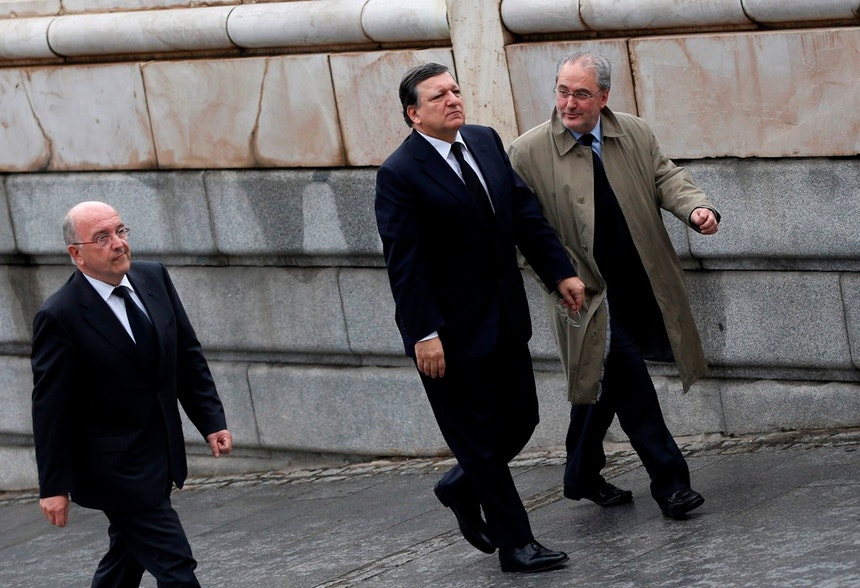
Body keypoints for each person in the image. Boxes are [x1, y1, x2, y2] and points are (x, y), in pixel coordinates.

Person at [375, 62, 586, 574]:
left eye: (455, 90)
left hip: (504, 316)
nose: (453, 100)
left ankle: (460, 483)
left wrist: (559, 272)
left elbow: (524, 214)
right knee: (476, 440)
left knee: (522, 418)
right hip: (446, 335)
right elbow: (405, 264)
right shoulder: (399, 173)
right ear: (413, 114)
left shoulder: (485, 141)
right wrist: (424, 333)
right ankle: (516, 545)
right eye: (437, 96)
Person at [508, 51, 720, 520]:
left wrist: (696, 208)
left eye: (582, 94)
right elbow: (518, 231)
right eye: (563, 91)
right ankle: (672, 485)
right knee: (629, 377)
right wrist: (556, 278)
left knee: (601, 383)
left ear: (603, 97)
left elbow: (666, 176)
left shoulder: (633, 132)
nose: (569, 103)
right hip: (585, 294)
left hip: (640, 280)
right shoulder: (527, 152)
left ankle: (580, 473)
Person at [31, 201, 233, 587]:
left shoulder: (153, 277)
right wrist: (53, 485)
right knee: (175, 564)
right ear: (77, 254)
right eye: (102, 238)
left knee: (124, 561)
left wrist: (211, 421)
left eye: (121, 231)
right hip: (114, 470)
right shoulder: (60, 315)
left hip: (161, 454)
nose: (118, 243)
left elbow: (186, 355)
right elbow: (49, 408)